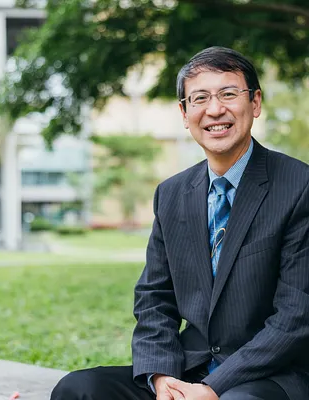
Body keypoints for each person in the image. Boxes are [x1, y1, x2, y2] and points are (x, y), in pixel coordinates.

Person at [50, 47, 309, 400]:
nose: (214, 110)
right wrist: (162, 377)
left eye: (228, 93)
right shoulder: (171, 194)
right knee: (79, 389)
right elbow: (155, 298)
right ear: (185, 114)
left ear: (255, 102)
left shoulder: (298, 186)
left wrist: (213, 388)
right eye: (199, 98)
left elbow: (296, 315)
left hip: (271, 376)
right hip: (190, 368)